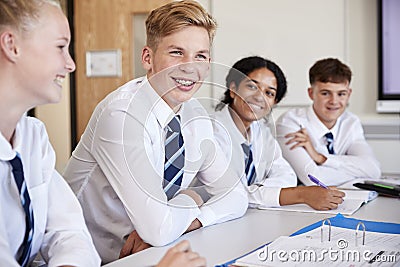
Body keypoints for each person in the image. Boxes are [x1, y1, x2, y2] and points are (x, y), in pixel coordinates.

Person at [63, 0, 247, 264]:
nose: (190, 67)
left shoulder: (194, 115)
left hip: (151, 255)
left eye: (200, 56)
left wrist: (190, 212)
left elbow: (237, 196)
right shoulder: (122, 115)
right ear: (148, 58)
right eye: (176, 52)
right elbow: (158, 230)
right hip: (92, 258)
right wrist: (192, 198)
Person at [0, 0, 100, 266]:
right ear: (11, 45)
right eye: (60, 47)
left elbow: (69, 231)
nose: (71, 65)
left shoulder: (33, 137)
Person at [212, 56, 345, 210]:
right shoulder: (211, 131)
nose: (259, 97)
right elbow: (230, 194)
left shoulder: (261, 130)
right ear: (233, 89)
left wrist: (256, 191)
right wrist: (300, 195)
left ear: (274, 102)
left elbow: (286, 175)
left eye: (269, 93)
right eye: (252, 86)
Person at [276, 58, 381, 186]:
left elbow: (373, 170)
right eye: (325, 93)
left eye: (341, 94)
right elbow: (313, 179)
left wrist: (321, 158)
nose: (334, 101)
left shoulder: (350, 122)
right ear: (311, 93)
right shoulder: (290, 123)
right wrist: (358, 175)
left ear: (349, 94)